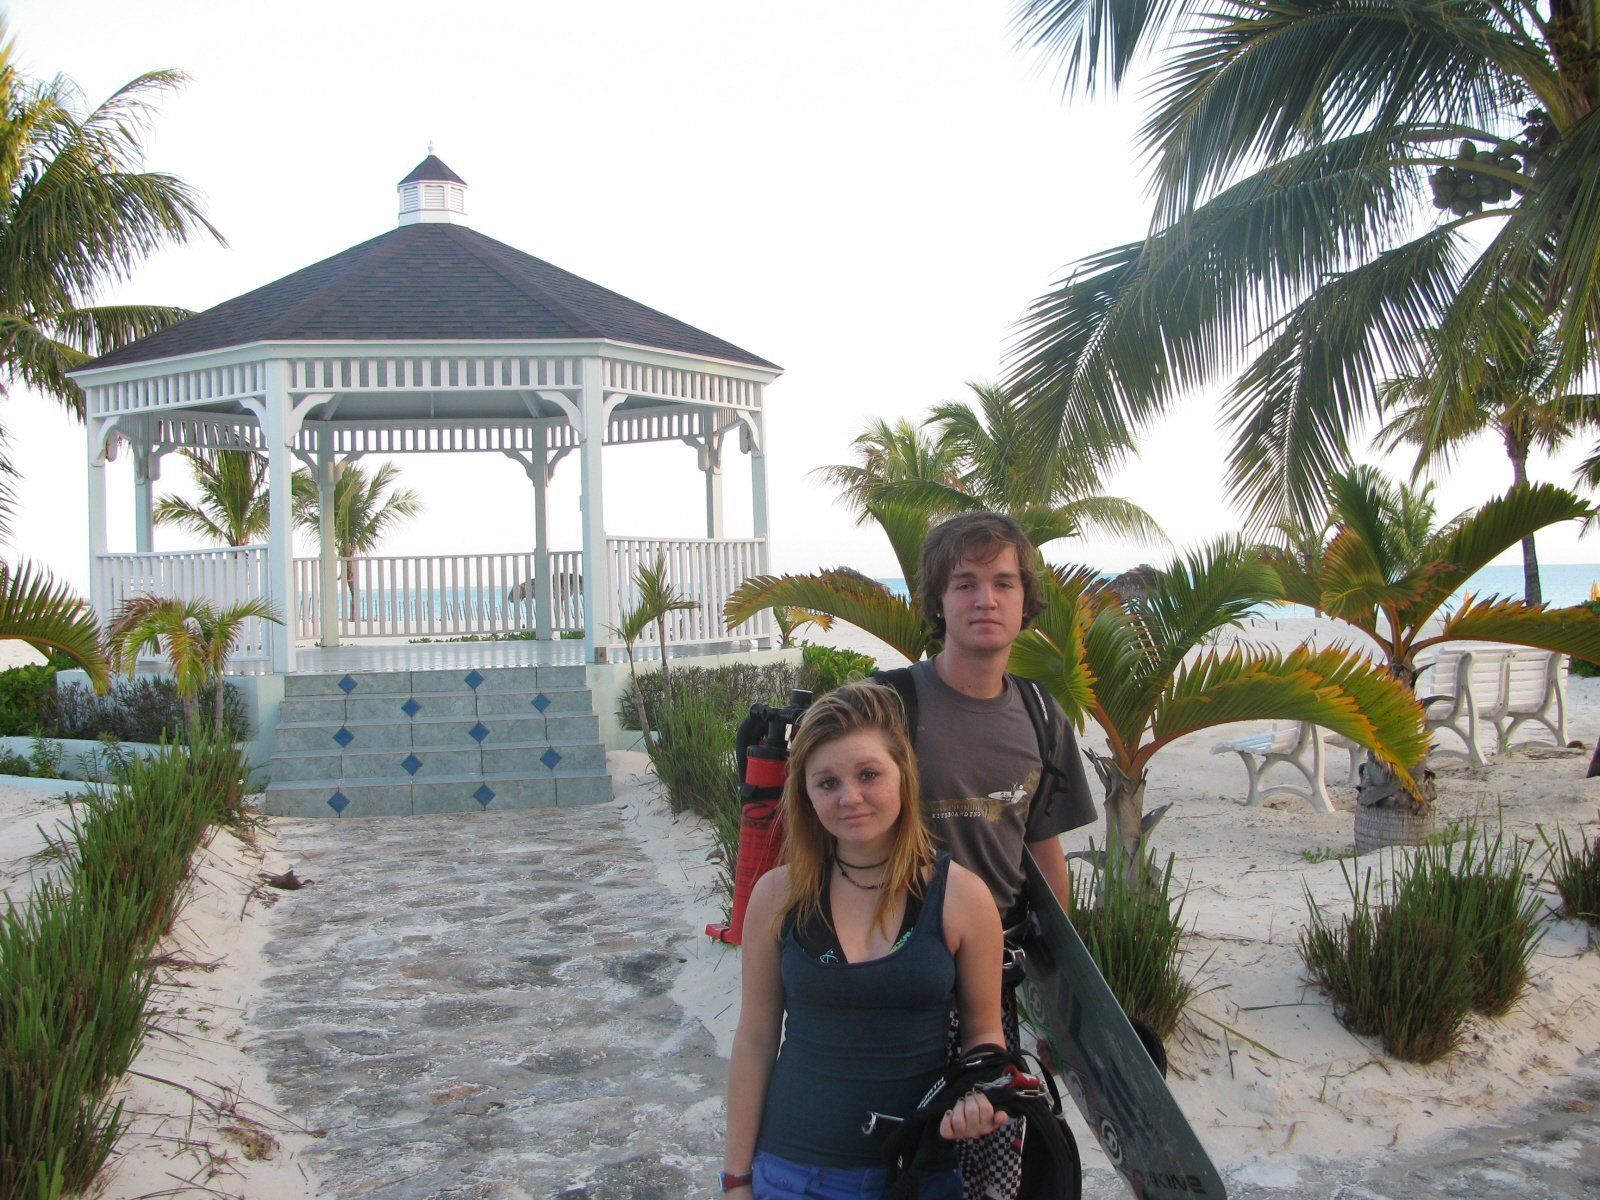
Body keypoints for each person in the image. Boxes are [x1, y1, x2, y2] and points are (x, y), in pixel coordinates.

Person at [874, 512, 1098, 1200]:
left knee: (987, 1167)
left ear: (1025, 602)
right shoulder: (888, 705)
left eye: (1003, 583)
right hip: (892, 967)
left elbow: (1043, 850)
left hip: (991, 980)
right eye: (965, 583)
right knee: (889, 1156)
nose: (985, 599)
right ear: (937, 602)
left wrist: (1061, 990)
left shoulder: (1041, 714)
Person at [723, 682, 1012, 1200]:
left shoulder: (962, 897)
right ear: (805, 795)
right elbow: (755, 1040)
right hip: (790, 1173)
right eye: (827, 782)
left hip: (920, 1174)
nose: (850, 797)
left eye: (869, 775)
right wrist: (735, 1180)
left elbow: (984, 1033)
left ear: (904, 774)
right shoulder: (777, 896)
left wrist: (978, 1094)